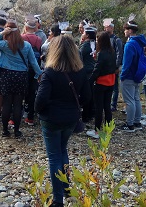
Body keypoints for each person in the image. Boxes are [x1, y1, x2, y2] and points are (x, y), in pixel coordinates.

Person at [35, 35, 91, 207]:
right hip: (71, 118)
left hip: (51, 119)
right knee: (62, 150)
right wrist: (74, 106)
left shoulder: (50, 72)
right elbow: (87, 97)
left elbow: (40, 100)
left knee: (54, 157)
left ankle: (58, 199)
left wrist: (41, 111)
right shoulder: (81, 71)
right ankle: (66, 187)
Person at [0, 20, 43, 138]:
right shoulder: (26, 45)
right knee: (18, 104)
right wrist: (39, 75)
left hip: (6, 75)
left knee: (6, 103)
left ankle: (5, 131)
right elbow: (33, 62)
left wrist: (2, 32)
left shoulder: (5, 45)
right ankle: (17, 131)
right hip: (21, 76)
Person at [86, 31, 117, 139]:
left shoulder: (101, 53)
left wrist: (89, 81)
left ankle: (97, 131)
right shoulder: (112, 52)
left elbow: (97, 70)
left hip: (101, 83)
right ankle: (108, 130)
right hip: (111, 81)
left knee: (99, 108)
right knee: (107, 106)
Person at [119, 20, 146, 132]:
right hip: (137, 75)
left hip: (129, 76)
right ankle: (137, 122)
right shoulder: (140, 42)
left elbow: (127, 63)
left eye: (125, 30)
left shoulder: (130, 44)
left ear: (130, 31)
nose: (124, 32)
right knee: (136, 99)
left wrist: (122, 76)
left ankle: (130, 124)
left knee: (129, 101)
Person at [21, 16, 43, 125]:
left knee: (20, 91)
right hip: (34, 69)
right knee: (32, 91)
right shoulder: (38, 39)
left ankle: (17, 114)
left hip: (23, 67)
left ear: (25, 26)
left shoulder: (22, 38)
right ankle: (30, 116)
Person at [103, 18, 123, 111]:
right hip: (106, 67)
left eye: (106, 27)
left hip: (114, 67)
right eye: (104, 27)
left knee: (115, 87)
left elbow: (119, 54)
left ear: (111, 28)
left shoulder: (117, 40)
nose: (105, 29)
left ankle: (113, 105)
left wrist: (116, 66)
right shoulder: (105, 39)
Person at [78, 25, 96, 122]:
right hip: (93, 71)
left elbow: (79, 57)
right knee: (92, 94)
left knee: (86, 94)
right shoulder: (95, 44)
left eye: (84, 33)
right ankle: (91, 113)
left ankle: (85, 115)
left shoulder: (85, 46)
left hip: (86, 72)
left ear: (87, 35)